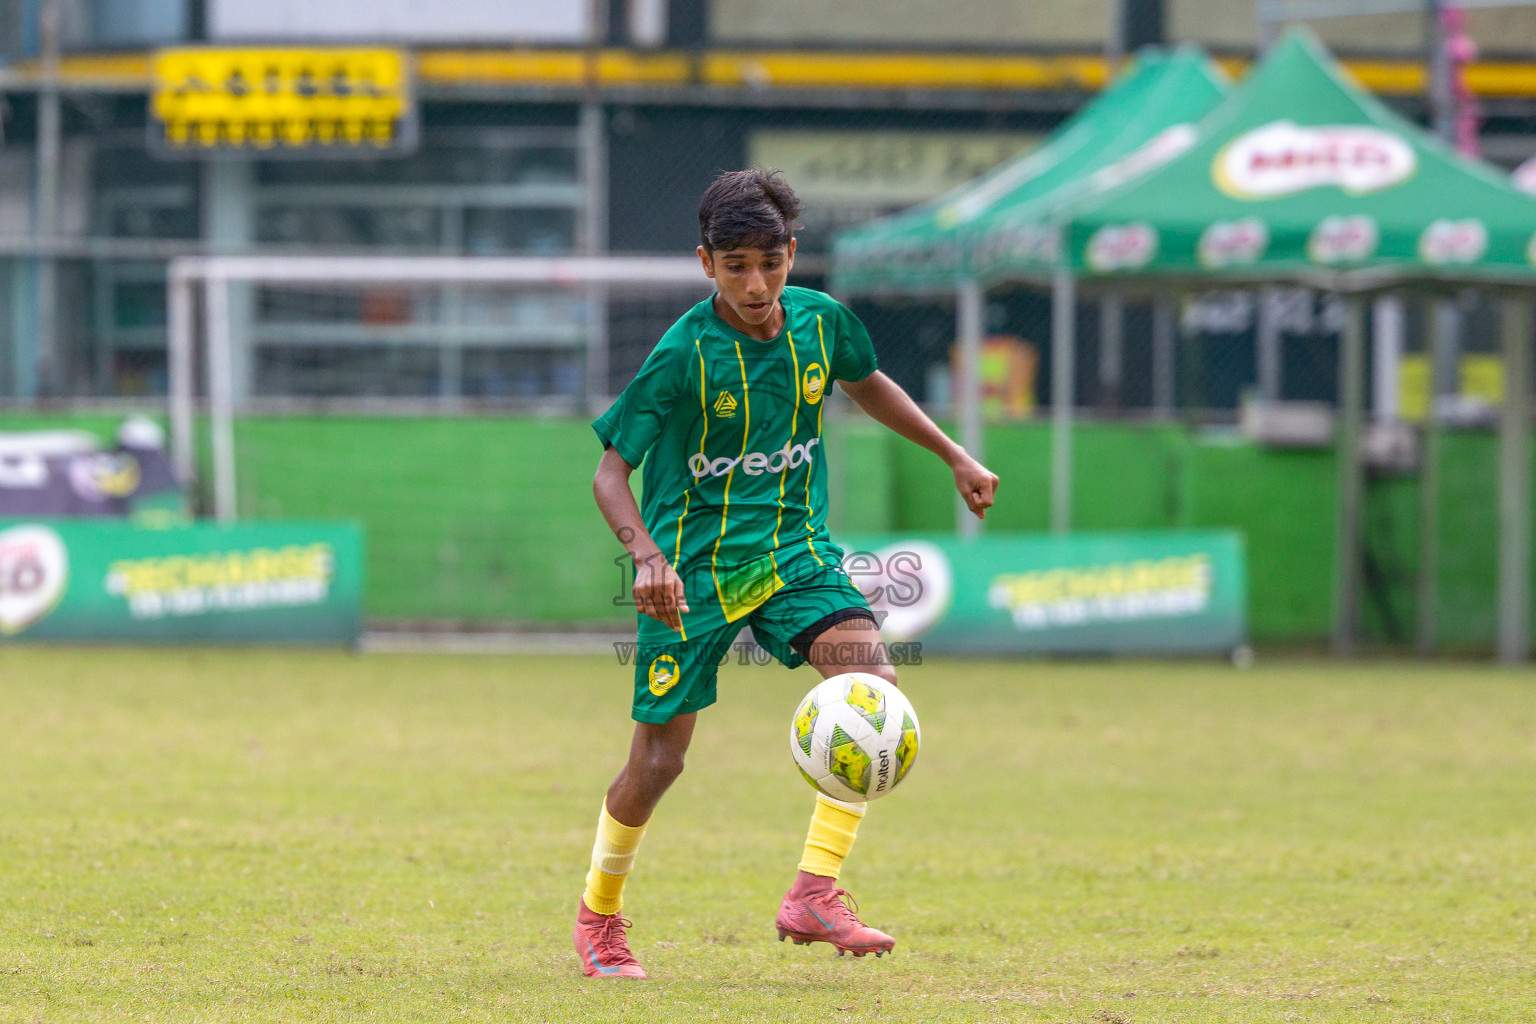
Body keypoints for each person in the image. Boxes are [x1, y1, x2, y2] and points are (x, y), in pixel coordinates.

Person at [577, 169, 999, 979]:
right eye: (735, 265)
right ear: (706, 264)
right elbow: (608, 474)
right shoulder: (681, 355)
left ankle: (814, 891)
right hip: (693, 573)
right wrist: (646, 555)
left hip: (795, 555)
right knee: (658, 765)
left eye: (770, 262)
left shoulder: (820, 323)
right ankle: (599, 915)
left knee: (875, 689)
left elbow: (866, 382)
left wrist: (952, 452)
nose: (756, 283)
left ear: (792, 255)